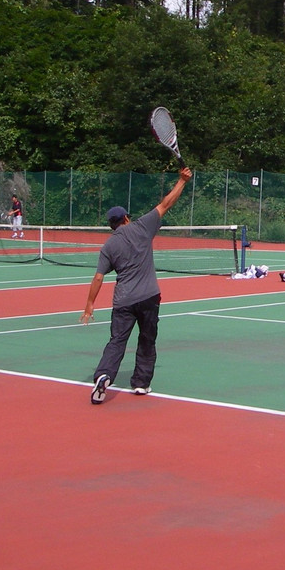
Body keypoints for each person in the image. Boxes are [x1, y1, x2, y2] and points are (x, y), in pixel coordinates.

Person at [80, 167, 193, 404]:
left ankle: (103, 375)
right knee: (147, 339)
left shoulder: (108, 246)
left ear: (112, 225)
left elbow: (98, 278)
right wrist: (182, 181)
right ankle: (141, 383)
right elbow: (166, 204)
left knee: (117, 342)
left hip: (123, 301)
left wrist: (89, 305)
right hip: (149, 297)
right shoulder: (142, 226)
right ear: (127, 218)